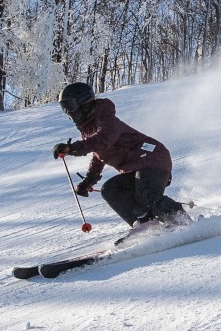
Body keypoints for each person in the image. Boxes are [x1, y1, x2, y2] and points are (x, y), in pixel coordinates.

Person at [52, 82, 190, 230]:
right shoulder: (88, 128)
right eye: (64, 108)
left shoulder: (106, 118)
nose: (68, 112)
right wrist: (88, 181)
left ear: (84, 101)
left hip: (152, 158)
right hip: (134, 167)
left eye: (70, 105)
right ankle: (145, 225)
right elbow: (99, 155)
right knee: (110, 190)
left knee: (146, 195)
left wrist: (72, 148)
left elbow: (103, 140)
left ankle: (182, 221)